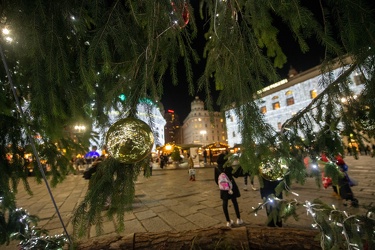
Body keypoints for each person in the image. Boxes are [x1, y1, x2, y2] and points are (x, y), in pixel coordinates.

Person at [215, 151, 243, 227]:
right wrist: (239, 166)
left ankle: (228, 221)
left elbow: (216, 180)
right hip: (231, 186)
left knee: (225, 203)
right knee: (235, 202)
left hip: (224, 188)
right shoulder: (228, 167)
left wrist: (223, 185)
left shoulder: (217, 168)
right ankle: (238, 219)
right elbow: (236, 175)